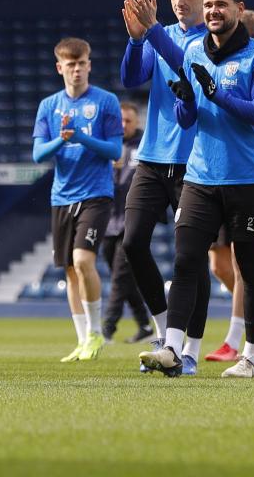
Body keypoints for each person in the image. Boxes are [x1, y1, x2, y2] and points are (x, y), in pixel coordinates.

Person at [139, 0, 254, 379]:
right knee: (185, 262)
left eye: (222, 5)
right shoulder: (193, 50)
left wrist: (218, 95)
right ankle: (173, 350)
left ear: (238, 8)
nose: (214, 11)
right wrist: (186, 100)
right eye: (210, 5)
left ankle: (250, 356)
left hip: (246, 179)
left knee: (250, 271)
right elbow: (188, 119)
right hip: (200, 177)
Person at [119, 0, 210, 374]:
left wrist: (153, 33)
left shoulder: (213, 40)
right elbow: (130, 79)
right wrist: (137, 40)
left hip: (195, 164)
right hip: (153, 159)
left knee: (190, 257)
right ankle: (163, 334)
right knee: (132, 242)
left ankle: (190, 349)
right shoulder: (160, 35)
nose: (178, 3)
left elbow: (187, 72)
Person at [33, 38, 123, 362]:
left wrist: (82, 137)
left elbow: (115, 151)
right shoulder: (48, 106)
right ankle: (83, 339)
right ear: (60, 68)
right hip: (61, 196)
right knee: (70, 270)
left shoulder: (106, 101)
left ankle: (97, 333)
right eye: (70, 64)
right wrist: (62, 138)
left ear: (89, 64)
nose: (77, 69)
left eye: (82, 63)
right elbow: (37, 153)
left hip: (96, 194)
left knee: (84, 261)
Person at [205, 9, 254, 364]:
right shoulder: (213, 66)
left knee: (242, 267)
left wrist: (235, 115)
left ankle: (234, 340)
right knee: (218, 267)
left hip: (247, 175)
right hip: (213, 173)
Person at [101, 101, 152, 344]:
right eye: (120, 121)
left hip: (133, 222)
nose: (123, 125)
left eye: (128, 120)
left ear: (137, 122)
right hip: (108, 222)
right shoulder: (109, 147)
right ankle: (144, 324)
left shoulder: (145, 146)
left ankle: (107, 329)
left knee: (120, 277)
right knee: (123, 278)